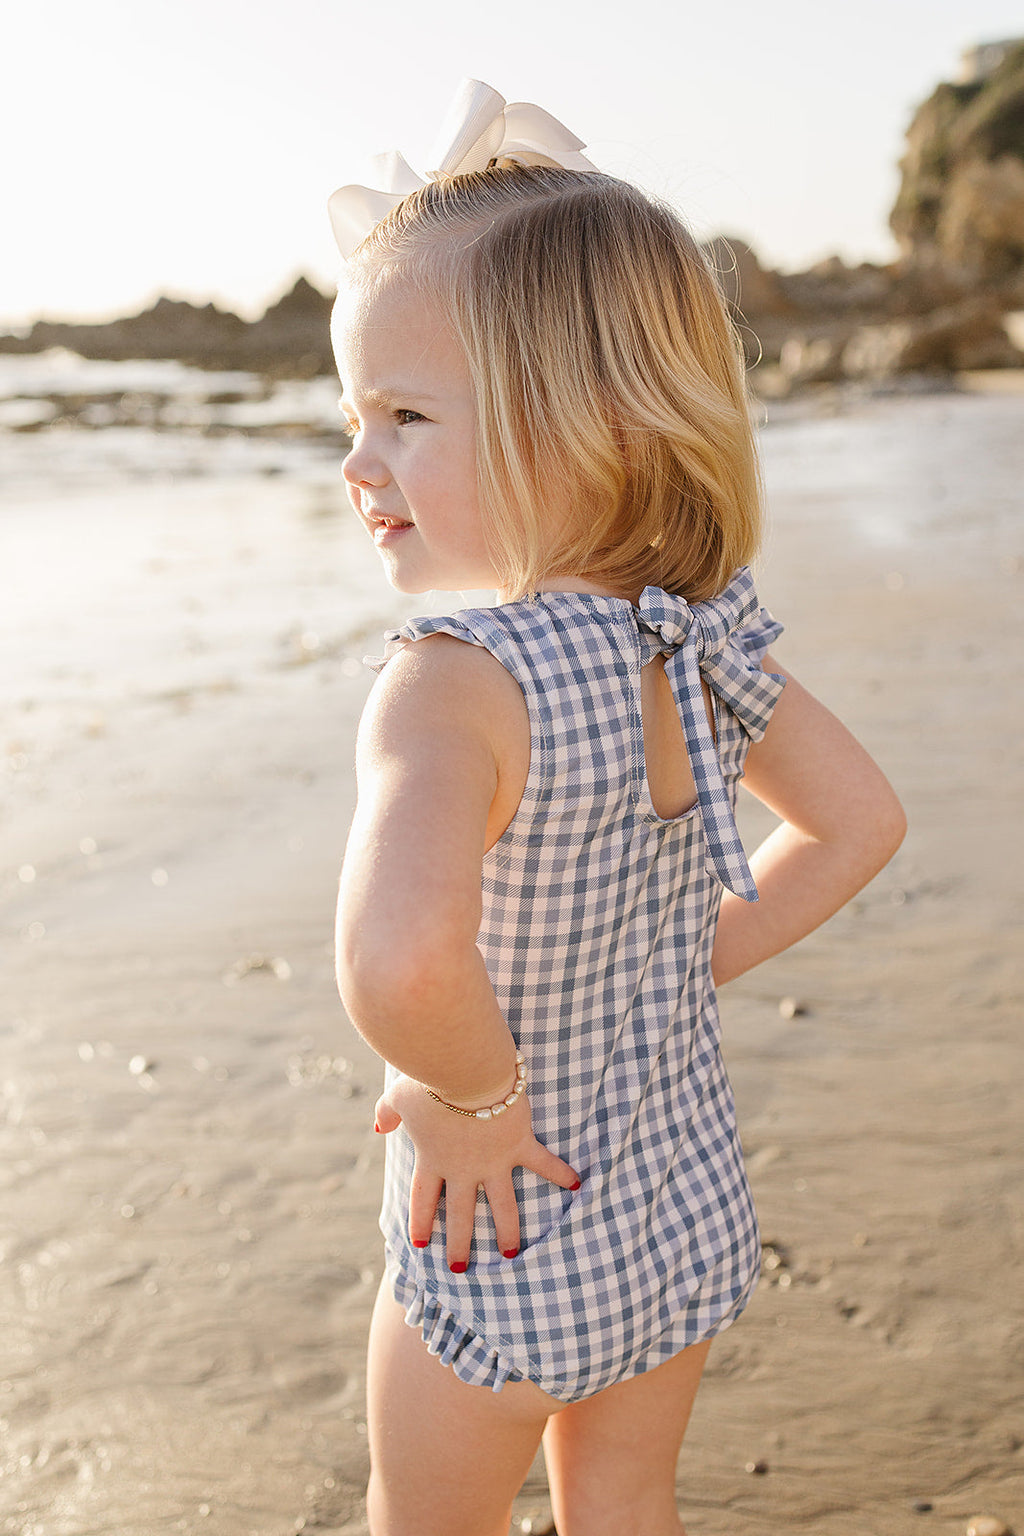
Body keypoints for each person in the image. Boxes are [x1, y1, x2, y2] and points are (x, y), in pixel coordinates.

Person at [329, 81, 906, 1536]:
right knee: (627, 1503)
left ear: (584, 424)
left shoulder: (456, 684)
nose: (358, 464)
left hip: (504, 1229)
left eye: (404, 416)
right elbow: (859, 823)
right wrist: (677, 957)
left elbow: (399, 964)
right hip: (676, 1208)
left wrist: (476, 1099)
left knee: (424, 1517)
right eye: (352, 418)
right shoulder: (694, 638)